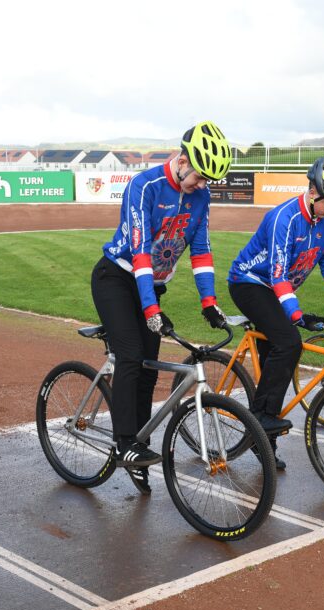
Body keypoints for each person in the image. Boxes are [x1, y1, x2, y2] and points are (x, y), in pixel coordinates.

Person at [91, 121, 231, 493]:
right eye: (200, 177)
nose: (203, 186)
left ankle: (140, 444)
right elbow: (140, 252)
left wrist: (210, 302)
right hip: (118, 279)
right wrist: (150, 310)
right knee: (133, 356)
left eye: (208, 182)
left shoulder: (201, 197)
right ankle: (124, 444)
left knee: (149, 371)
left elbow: (200, 251)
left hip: (150, 285)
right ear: (182, 160)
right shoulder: (145, 186)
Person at [227, 156, 324, 467]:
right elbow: (277, 273)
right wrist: (296, 314)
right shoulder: (284, 218)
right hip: (250, 283)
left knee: (280, 355)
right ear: (313, 191)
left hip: (277, 289)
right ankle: (260, 419)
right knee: (289, 341)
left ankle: (262, 442)